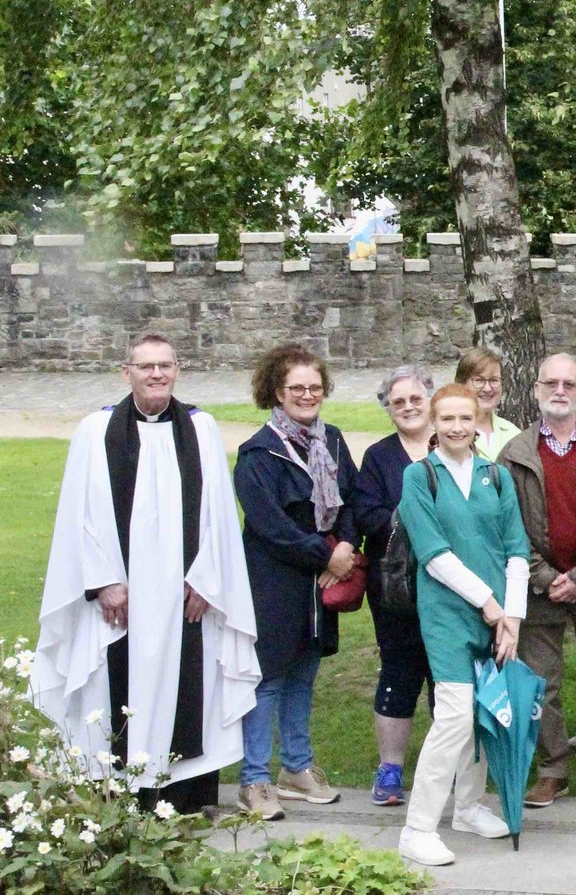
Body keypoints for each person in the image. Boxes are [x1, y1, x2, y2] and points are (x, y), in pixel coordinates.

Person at [32, 333, 259, 817]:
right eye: (145, 366)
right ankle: (118, 798)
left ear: (177, 369)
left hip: (185, 596)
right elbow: (79, 515)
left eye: (165, 365)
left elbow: (219, 516)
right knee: (113, 684)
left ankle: (185, 799)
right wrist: (103, 581)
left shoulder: (200, 428)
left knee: (189, 684)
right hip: (121, 599)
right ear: (126, 372)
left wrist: (206, 580)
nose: (156, 374)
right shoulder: (96, 431)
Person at [394, 383, 531, 867]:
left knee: (483, 713)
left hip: (498, 616)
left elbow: (517, 548)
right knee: (453, 716)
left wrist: (511, 615)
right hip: (449, 613)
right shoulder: (419, 477)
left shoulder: (496, 476)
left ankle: (468, 807)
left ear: (478, 422)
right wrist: (490, 604)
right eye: (446, 419)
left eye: (464, 419)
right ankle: (417, 828)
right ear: (433, 422)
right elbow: (433, 556)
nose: (456, 427)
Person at [233, 343, 359, 819]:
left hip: (324, 578)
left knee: (305, 672)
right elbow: (269, 525)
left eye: (315, 386)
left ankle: (297, 767)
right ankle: (255, 778)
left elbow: (350, 499)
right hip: (275, 580)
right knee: (268, 677)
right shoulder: (257, 455)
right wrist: (326, 555)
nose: (308, 395)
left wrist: (345, 547)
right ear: (276, 392)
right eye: (296, 388)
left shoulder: (334, 441)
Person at [503, 355, 576, 810]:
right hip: (538, 584)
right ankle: (552, 769)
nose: (560, 390)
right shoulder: (514, 453)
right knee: (541, 683)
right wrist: (548, 577)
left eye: (569, 384)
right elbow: (507, 525)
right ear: (535, 390)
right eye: (550, 382)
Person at [354, 364, 437, 807]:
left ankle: (452, 772)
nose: (407, 407)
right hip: (396, 587)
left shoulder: (453, 444)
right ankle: (389, 770)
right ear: (388, 409)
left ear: (430, 399)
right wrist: (415, 522)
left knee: (449, 677)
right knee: (400, 672)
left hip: (451, 587)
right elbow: (366, 514)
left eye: (415, 399)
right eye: (397, 401)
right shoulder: (378, 457)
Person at [456, 347, 522, 460]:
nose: (487, 388)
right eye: (479, 380)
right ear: (461, 384)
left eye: (494, 380)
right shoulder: (450, 431)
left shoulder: (514, 434)